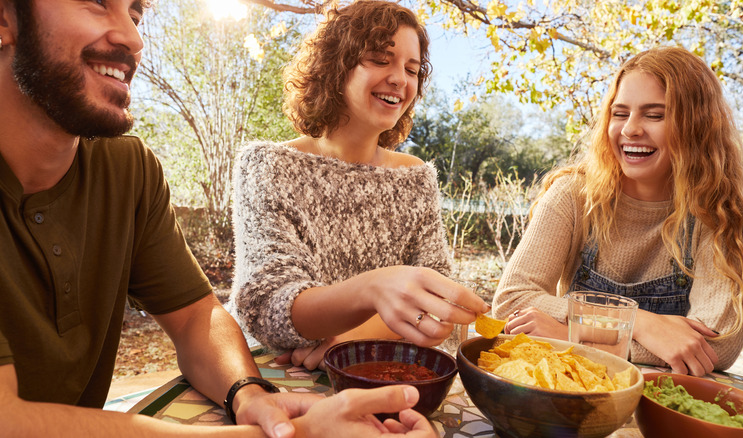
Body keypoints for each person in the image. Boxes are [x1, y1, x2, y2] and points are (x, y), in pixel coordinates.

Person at [0, 0, 438, 436]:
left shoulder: (126, 169)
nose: (134, 39)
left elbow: (196, 318)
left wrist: (247, 394)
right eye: (96, 2)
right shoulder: (270, 164)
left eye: (136, 15)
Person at [229, 0, 488, 371]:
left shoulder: (415, 178)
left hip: (374, 368)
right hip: (272, 373)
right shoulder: (267, 166)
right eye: (381, 59)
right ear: (336, 65)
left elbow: (436, 297)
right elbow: (269, 307)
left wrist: (348, 341)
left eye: (412, 69)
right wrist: (374, 291)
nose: (400, 79)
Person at [492, 46, 743, 377]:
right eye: (620, 113)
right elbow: (512, 302)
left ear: (698, 126)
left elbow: (713, 347)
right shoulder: (573, 195)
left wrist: (571, 335)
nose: (630, 130)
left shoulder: (722, 213)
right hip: (570, 391)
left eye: (654, 115)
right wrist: (640, 324)